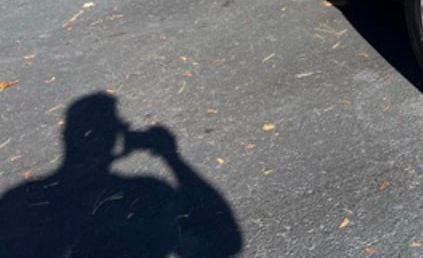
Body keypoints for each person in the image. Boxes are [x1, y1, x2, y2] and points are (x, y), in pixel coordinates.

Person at [0, 92, 243, 257]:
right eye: (115, 124)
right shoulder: (146, 194)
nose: (125, 127)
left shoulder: (17, 201)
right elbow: (226, 242)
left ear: (67, 138)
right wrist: (173, 158)